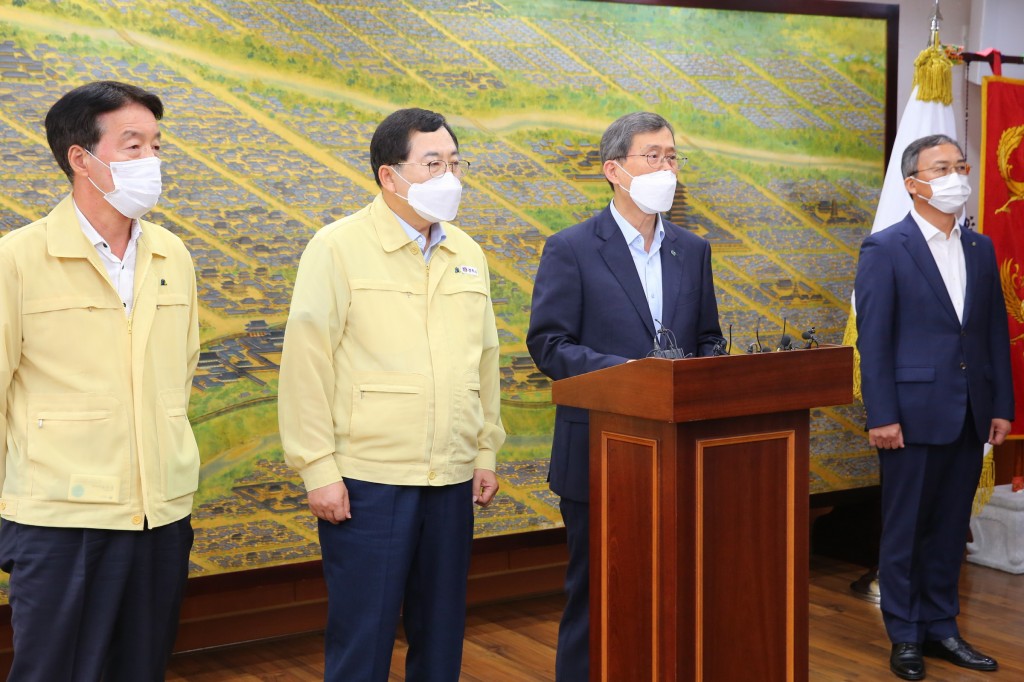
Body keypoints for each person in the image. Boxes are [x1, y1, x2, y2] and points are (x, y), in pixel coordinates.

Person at [278, 107, 505, 682]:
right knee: (364, 636)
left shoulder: (467, 254)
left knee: (441, 634)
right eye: (433, 164)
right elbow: (307, 363)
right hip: (369, 480)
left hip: (451, 477)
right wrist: (317, 468)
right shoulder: (337, 248)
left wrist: (484, 452)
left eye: (456, 163)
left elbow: (484, 362)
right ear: (389, 176)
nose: (449, 177)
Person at [0, 81, 200, 681]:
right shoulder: (18, 258)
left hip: (158, 514)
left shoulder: (173, 255)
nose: (151, 162)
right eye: (132, 145)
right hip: (60, 517)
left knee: (141, 669)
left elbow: (181, 370)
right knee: (55, 671)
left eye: (156, 147)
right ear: (80, 159)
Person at [526, 111, 725, 681]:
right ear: (614, 169)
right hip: (599, 453)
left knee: (675, 592)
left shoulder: (693, 248)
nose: (666, 167)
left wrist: (702, 377)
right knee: (596, 599)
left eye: (672, 156)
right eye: (653, 156)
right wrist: (635, 374)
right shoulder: (571, 248)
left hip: (681, 452)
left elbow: (708, 339)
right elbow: (550, 345)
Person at [855, 133, 1014, 681]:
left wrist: (1001, 404)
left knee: (950, 529)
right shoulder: (885, 248)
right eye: (941, 167)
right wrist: (881, 415)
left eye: (960, 165)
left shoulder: (980, 247)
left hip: (971, 412)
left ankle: (943, 627)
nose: (956, 176)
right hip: (910, 415)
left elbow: (994, 332)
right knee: (905, 531)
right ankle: (904, 636)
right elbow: (873, 341)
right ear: (914, 184)